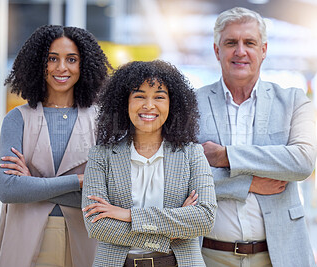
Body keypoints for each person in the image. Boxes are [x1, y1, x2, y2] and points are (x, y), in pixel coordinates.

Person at [196, 7, 317, 267]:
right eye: (231, 43)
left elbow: (302, 161)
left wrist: (224, 156)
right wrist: (249, 184)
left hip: (278, 257)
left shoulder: (294, 101)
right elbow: (181, 177)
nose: (240, 51)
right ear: (217, 51)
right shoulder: (191, 105)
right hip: (207, 257)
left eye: (249, 42)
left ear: (263, 50)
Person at [0, 25, 110, 267]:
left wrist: (33, 186)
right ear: (38, 63)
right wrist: (79, 181)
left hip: (84, 237)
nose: (61, 68)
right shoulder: (17, 119)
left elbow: (108, 197)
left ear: (84, 65)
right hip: (25, 237)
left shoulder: (101, 120)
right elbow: (7, 190)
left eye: (71, 59)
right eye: (52, 59)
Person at [81, 60, 217, 267]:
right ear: (123, 102)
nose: (149, 105)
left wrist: (128, 215)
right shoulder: (101, 156)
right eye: (139, 96)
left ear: (173, 104)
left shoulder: (192, 154)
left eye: (159, 97)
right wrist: (171, 232)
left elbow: (204, 218)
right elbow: (97, 225)